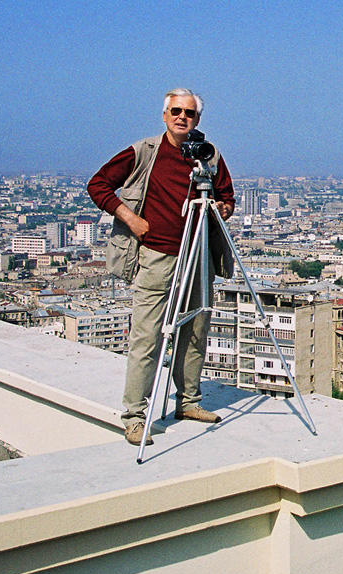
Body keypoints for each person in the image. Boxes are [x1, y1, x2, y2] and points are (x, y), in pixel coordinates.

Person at [87, 88, 235, 445]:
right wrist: (130, 218)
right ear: (165, 115)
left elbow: (228, 197)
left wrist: (222, 209)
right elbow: (99, 185)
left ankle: (188, 401)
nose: (182, 117)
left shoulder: (208, 155)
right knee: (148, 337)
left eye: (189, 113)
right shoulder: (144, 152)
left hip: (197, 256)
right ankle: (135, 417)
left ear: (198, 119)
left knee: (195, 331)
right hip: (156, 256)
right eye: (176, 111)